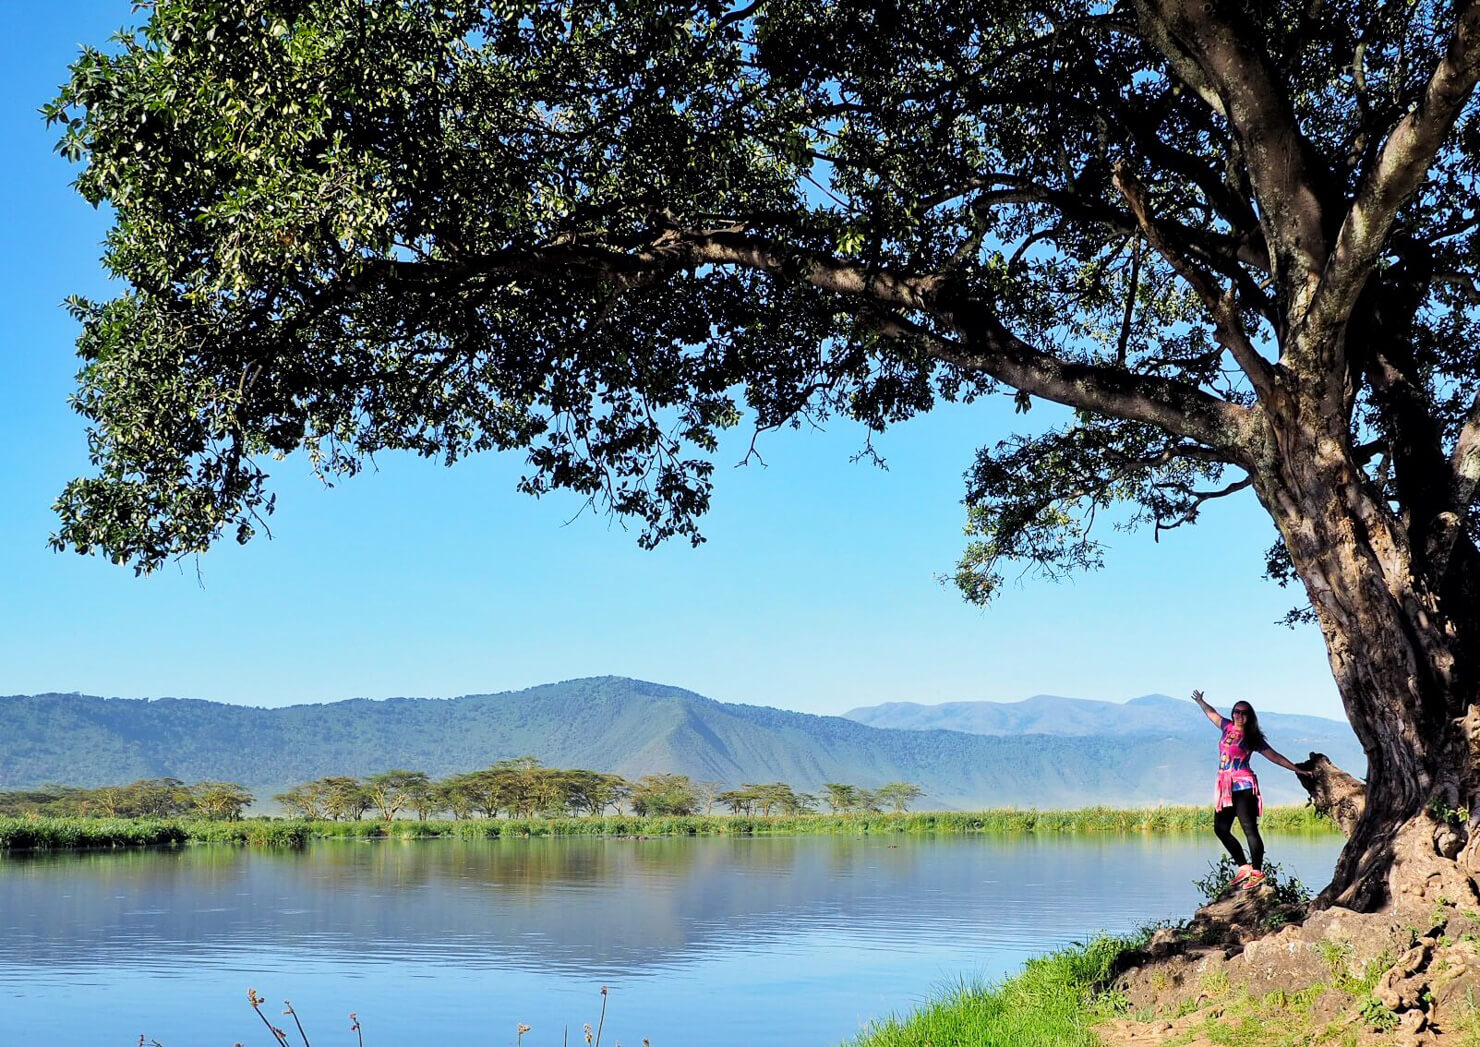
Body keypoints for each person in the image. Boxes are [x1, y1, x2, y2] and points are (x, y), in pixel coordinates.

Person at [1191, 689, 1312, 890]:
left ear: (1250, 716)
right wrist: (1201, 702)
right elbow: (1212, 714)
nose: (1239, 715)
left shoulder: (1252, 737)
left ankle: (1257, 871)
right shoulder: (1227, 728)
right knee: (1220, 829)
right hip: (1225, 786)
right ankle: (1243, 867)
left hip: (1244, 786)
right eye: (1236, 711)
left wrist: (1297, 769)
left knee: (1249, 829)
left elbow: (1274, 756)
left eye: (1244, 712)